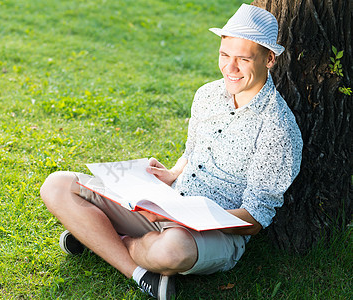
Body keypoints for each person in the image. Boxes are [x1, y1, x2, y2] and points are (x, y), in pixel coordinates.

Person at [40, 4, 303, 299]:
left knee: (171, 251)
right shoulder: (206, 95)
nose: (230, 68)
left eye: (243, 59)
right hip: (168, 203)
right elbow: (193, 152)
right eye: (224, 55)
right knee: (58, 185)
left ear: (269, 59)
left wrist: (187, 218)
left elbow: (253, 219)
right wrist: (173, 173)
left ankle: (106, 242)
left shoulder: (278, 128)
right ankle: (139, 270)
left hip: (212, 234)